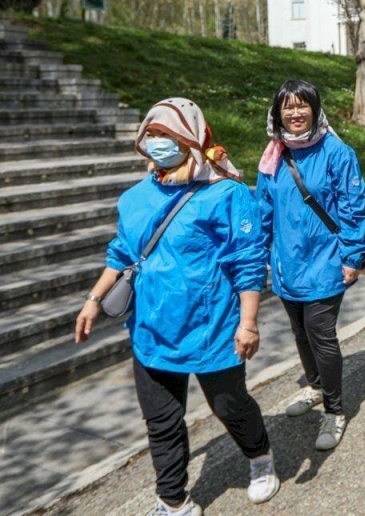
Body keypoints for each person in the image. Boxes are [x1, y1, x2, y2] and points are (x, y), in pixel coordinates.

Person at [74, 98, 279, 516]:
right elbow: (122, 253)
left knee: (229, 405)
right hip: (151, 328)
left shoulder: (226, 193)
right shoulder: (134, 197)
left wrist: (250, 323)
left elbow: (248, 261)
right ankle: (173, 501)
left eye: (166, 135)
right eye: (151, 134)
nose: (156, 142)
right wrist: (94, 299)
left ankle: (259, 457)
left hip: (213, 327)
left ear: (190, 138)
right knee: (161, 421)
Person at [256, 80, 365, 451]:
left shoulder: (337, 152)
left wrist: (352, 256)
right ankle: (315, 386)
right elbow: (263, 211)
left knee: (321, 334)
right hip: (286, 264)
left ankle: (334, 412)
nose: (295, 113)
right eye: (287, 107)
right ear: (278, 114)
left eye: (302, 105)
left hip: (325, 261)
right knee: (300, 332)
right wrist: (262, 259)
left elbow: (353, 208)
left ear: (315, 109)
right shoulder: (273, 155)